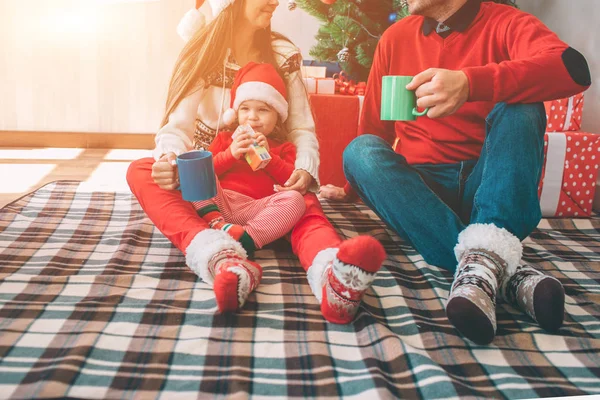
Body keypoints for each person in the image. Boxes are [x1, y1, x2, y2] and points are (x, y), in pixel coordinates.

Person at [320, 0, 591, 344]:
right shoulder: (395, 37)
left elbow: (574, 69)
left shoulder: (507, 23)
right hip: (422, 195)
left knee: (523, 104)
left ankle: (483, 264)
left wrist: (470, 83)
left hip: (490, 188)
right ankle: (502, 271)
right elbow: (375, 130)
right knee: (359, 150)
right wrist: (351, 188)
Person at [127, 0, 386, 323]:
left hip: (269, 186)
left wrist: (303, 170)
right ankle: (220, 256)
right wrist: (168, 161)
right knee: (140, 170)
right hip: (211, 182)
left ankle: (332, 279)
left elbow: (301, 128)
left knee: (302, 201)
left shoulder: (281, 53)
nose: (276, 2)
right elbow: (176, 129)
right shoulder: (201, 51)